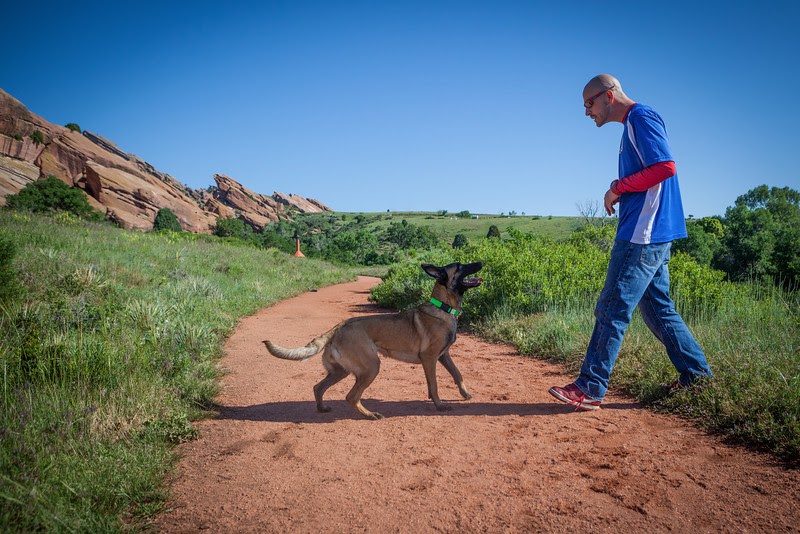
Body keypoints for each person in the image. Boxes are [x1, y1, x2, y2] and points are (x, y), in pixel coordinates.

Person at [548, 74, 713, 411]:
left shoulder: (640, 117)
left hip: (643, 233)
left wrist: (619, 188)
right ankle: (697, 377)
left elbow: (665, 167)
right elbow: (650, 174)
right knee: (658, 308)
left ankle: (590, 387)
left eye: (588, 104)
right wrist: (619, 186)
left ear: (608, 96)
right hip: (652, 232)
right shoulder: (632, 125)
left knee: (612, 307)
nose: (586, 112)